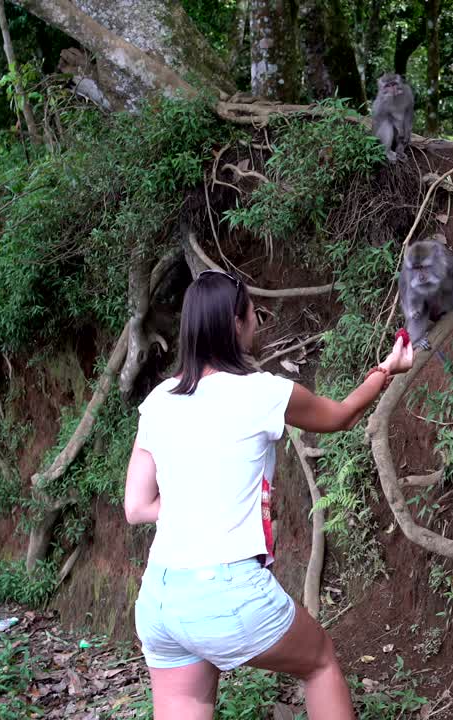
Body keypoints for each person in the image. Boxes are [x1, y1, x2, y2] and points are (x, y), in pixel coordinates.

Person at [123, 267, 413, 720]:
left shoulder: (159, 400)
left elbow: (136, 506)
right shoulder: (260, 393)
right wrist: (387, 368)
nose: (258, 321)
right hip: (225, 592)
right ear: (236, 324)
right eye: (253, 313)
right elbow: (340, 417)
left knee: (187, 703)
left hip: (161, 599)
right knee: (318, 662)